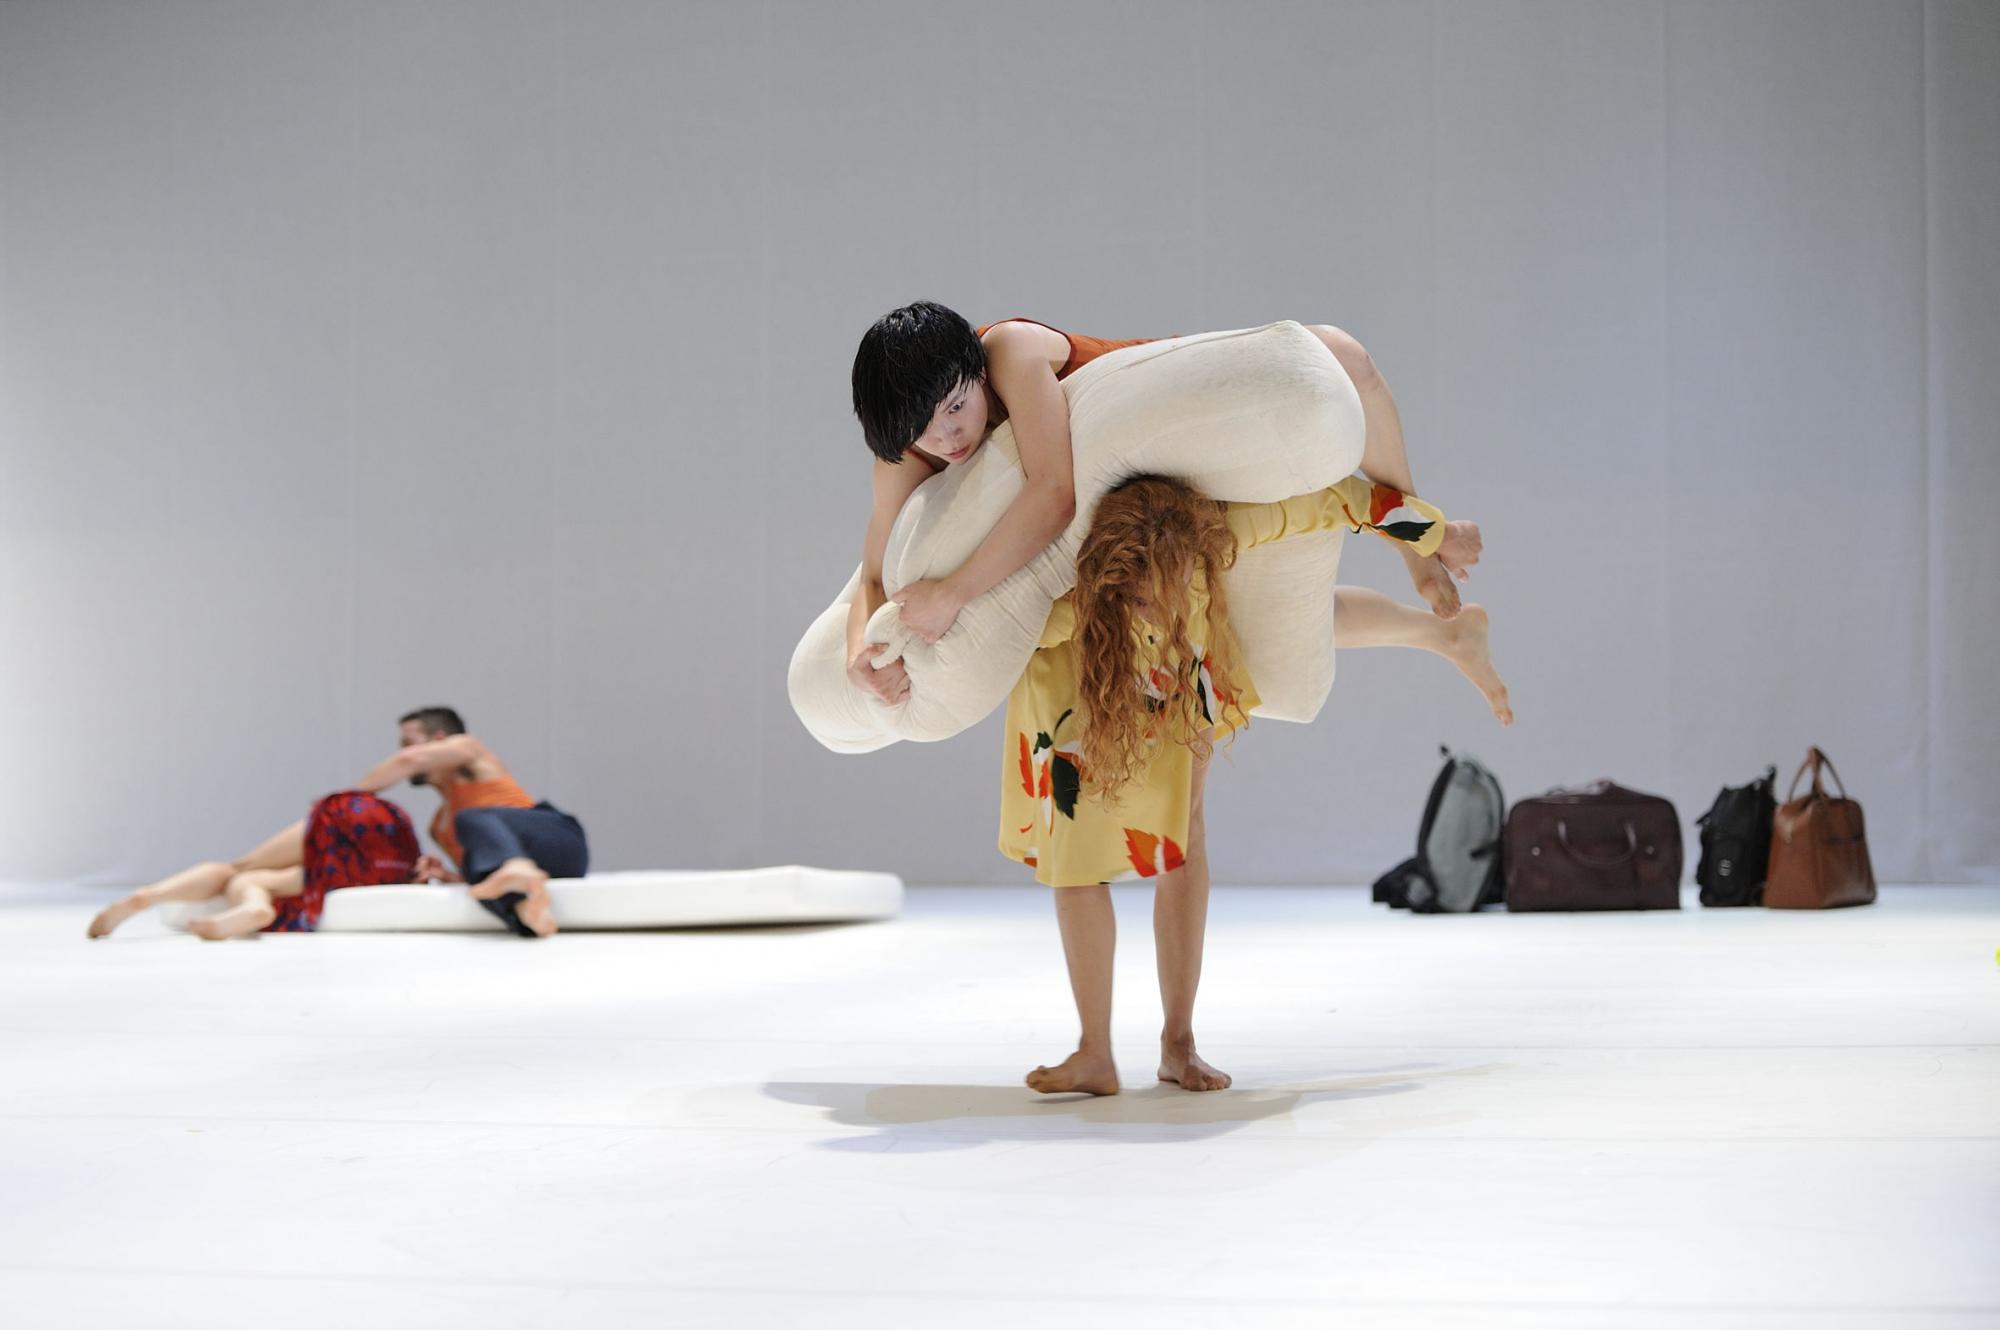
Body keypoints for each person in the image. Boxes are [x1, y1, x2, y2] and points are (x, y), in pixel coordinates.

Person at [1002, 474, 1510, 1097]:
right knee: (1076, 863)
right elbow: (999, 634)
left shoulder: (1216, 534)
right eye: (1137, 596)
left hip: (1177, 682)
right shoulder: (1069, 604)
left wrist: (1436, 533)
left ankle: (1179, 1043)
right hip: (1078, 690)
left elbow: (1342, 500)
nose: (1154, 604)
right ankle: (1094, 1052)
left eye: (1169, 587)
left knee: (1183, 836)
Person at [846, 303, 1470, 705]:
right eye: (924, 428)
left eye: (957, 407)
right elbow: (871, 575)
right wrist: (861, 656)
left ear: (978, 374)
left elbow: (1054, 493)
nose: (948, 437)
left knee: (1343, 355)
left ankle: (1416, 540)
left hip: (1178, 419)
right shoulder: (905, 454)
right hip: (1136, 514)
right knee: (1266, 625)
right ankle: (1442, 634)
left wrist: (952, 593)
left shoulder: (1008, 350)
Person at [85, 707, 586, 941]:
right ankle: (526, 912)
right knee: (259, 877)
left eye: (408, 740)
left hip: (556, 841)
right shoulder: (440, 823)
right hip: (513, 865)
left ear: (438, 739)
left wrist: (346, 801)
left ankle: (152, 894)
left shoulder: (472, 753)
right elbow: (475, 871)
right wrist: (445, 875)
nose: (402, 752)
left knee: (478, 819)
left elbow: (409, 763)